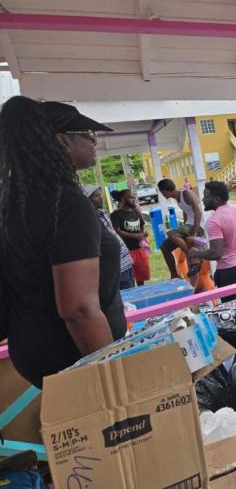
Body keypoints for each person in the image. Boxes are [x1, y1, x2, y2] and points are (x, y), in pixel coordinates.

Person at [0, 96, 125, 387]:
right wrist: (114, 379)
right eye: (88, 135)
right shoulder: (66, 204)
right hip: (74, 360)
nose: (95, 142)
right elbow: (78, 310)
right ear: (63, 141)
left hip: (34, 350)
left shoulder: (16, 202)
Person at [188, 181, 236, 302]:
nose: (203, 199)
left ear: (216, 199)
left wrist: (195, 253)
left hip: (230, 272)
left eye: (206, 196)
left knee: (232, 314)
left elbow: (216, 253)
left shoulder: (213, 221)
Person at [83, 184, 135, 289]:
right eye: (96, 196)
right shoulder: (88, 219)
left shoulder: (102, 213)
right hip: (116, 267)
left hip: (126, 263)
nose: (101, 197)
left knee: (132, 292)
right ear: (87, 201)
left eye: (100, 195)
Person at [156, 178, 204, 279]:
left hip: (199, 226)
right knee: (164, 247)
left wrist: (194, 235)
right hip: (190, 225)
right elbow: (186, 213)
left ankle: (194, 256)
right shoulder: (178, 198)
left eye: (161, 192)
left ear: (164, 191)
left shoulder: (186, 193)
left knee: (171, 233)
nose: (162, 195)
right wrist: (183, 227)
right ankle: (174, 275)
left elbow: (198, 212)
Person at [111, 189, 151, 286]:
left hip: (139, 249)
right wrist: (135, 236)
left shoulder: (136, 211)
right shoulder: (115, 215)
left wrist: (143, 234)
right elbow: (117, 231)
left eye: (134, 197)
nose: (134, 199)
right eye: (130, 197)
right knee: (130, 279)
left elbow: (141, 225)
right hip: (126, 251)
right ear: (123, 199)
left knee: (141, 278)